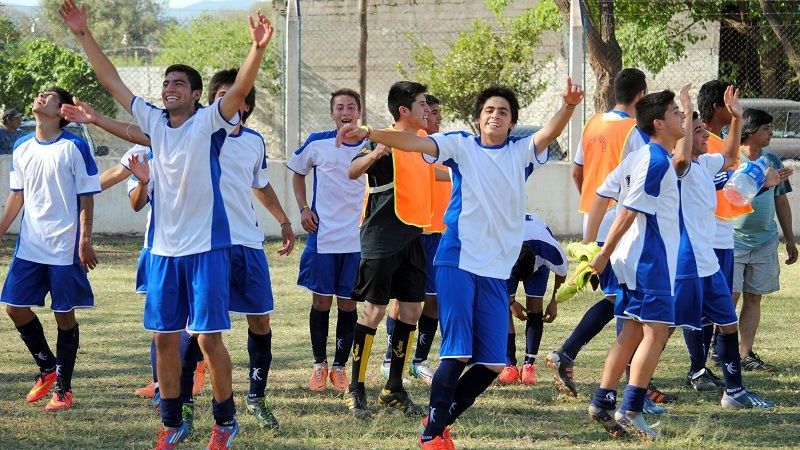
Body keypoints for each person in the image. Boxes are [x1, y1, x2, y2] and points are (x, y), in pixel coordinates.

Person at [60, 1, 274, 447]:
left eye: (179, 82)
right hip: (163, 252)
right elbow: (111, 80)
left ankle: (224, 421)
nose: (169, 86)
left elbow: (237, 92)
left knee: (209, 341)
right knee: (163, 339)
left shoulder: (209, 123)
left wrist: (256, 51)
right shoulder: (155, 122)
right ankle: (173, 423)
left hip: (207, 250)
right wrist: (83, 34)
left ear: (196, 94)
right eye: (166, 82)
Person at [336, 79, 583, 449]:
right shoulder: (461, 146)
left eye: (503, 111)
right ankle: (432, 436)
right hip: (458, 258)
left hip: (496, 269)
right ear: (477, 120)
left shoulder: (520, 152)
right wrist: (372, 132)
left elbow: (548, 133)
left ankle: (438, 419)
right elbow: (415, 142)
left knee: (494, 363)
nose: (495, 115)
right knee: (457, 350)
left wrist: (566, 106)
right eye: (488, 110)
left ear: (512, 122)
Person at [545, 68, 657, 398]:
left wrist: (589, 208)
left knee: (617, 298)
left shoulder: (593, 123)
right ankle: (633, 380)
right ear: (641, 95)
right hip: (620, 222)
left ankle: (570, 354)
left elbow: (578, 171)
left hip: (593, 220)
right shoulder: (635, 131)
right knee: (627, 298)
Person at [583, 88, 686, 440]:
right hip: (648, 259)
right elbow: (627, 210)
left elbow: (602, 193)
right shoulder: (655, 160)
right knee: (655, 331)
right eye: (676, 112)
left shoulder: (640, 157)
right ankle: (631, 409)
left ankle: (602, 400)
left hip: (631, 258)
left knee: (630, 331)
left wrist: (596, 243)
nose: (682, 116)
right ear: (659, 123)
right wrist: (598, 253)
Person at [669, 90, 774, 410]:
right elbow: (683, 155)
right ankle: (636, 388)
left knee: (726, 322)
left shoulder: (707, 163)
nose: (706, 137)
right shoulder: (683, 166)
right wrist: (686, 112)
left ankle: (734, 391)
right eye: (699, 132)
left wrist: (738, 116)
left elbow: (730, 157)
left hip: (710, 262)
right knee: (663, 327)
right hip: (688, 260)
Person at [0, 87, 99, 412]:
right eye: (39, 93)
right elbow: (18, 194)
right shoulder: (21, 146)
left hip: (63, 248)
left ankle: (63, 388)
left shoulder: (75, 146)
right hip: (30, 245)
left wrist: (84, 238)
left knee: (63, 316)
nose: (40, 97)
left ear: (62, 111)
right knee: (14, 307)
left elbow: (86, 195)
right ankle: (47, 366)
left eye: (49, 96)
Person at [344, 81, 433, 420]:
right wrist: (375, 153)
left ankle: (393, 387)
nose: (428, 109)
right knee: (373, 313)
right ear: (404, 111)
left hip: (412, 237)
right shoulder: (382, 139)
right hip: (381, 239)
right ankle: (356, 387)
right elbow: (352, 171)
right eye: (422, 104)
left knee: (411, 311)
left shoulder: (424, 145)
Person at [287, 88, 363, 393]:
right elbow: (296, 172)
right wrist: (304, 209)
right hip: (324, 236)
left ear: (359, 112)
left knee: (348, 304)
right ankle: (319, 365)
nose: (345, 113)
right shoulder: (317, 141)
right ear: (333, 113)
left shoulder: (372, 144)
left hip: (357, 239)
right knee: (321, 301)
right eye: (340, 108)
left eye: (351, 107)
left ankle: (340, 367)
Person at [379, 93, 449, 385]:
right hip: (413, 233)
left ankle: (418, 360)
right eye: (431, 112)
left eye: (436, 112)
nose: (435, 117)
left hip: (440, 235)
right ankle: (390, 358)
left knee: (432, 302)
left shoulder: (445, 147)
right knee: (406, 301)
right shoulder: (408, 145)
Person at [732, 108, 796, 370]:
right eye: (766, 128)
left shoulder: (772, 160)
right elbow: (732, 198)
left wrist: (789, 239)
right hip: (733, 241)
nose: (771, 133)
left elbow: (781, 200)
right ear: (749, 131)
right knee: (729, 298)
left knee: (754, 297)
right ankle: (718, 348)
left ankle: (745, 355)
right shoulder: (730, 159)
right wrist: (762, 183)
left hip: (765, 241)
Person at [498, 213, 567, 386]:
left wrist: (554, 301)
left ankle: (529, 365)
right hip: (508, 255)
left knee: (535, 306)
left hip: (537, 254)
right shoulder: (500, 243)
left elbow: (562, 272)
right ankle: (509, 365)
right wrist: (511, 302)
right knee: (502, 308)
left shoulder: (549, 249)